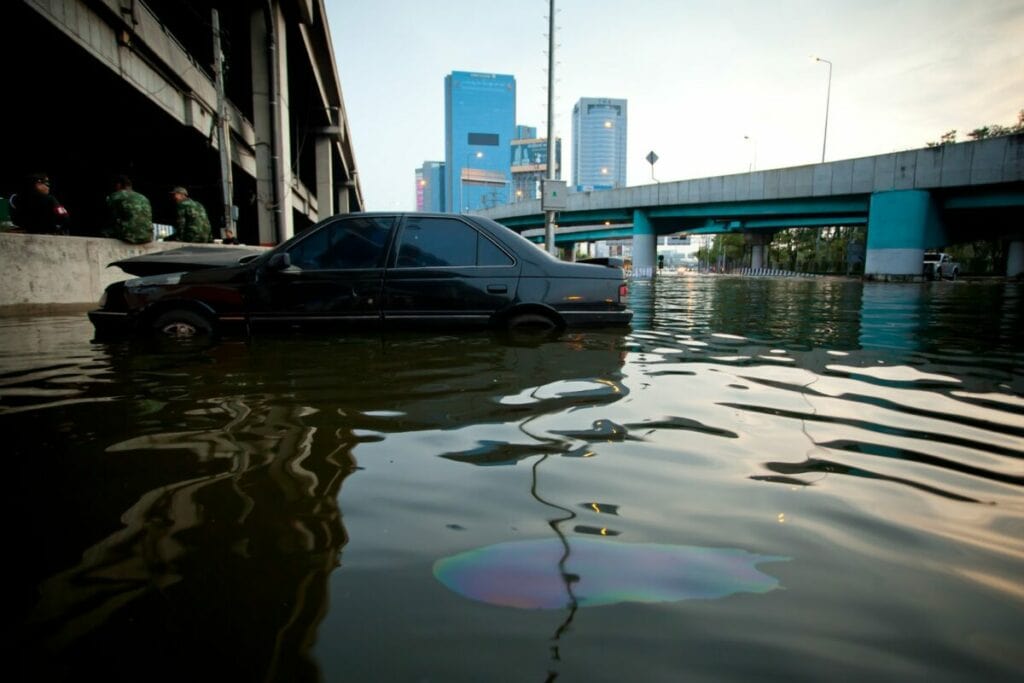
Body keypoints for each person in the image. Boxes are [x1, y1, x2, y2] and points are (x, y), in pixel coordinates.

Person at [105, 175, 153, 244]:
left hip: (129, 235)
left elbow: (107, 213)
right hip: (148, 237)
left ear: (119, 185)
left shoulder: (117, 195)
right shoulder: (144, 198)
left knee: (105, 231)